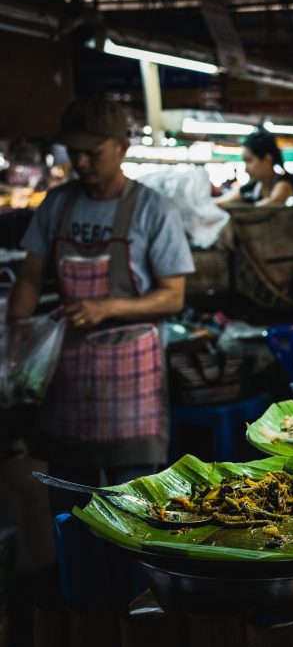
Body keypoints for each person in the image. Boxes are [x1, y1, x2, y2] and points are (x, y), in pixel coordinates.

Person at [5, 96, 194, 509]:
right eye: (75, 153)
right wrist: (17, 337)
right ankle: (79, 575)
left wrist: (106, 308)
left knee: (138, 511)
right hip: (66, 379)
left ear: (122, 147)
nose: (83, 163)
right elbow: (30, 278)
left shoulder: (152, 209)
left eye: (93, 153)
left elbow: (172, 296)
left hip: (133, 389)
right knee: (73, 511)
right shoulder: (57, 204)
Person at [217, 130, 293, 206]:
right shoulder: (254, 186)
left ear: (267, 159)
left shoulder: (284, 183)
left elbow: (272, 203)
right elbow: (223, 201)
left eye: (249, 161)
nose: (246, 169)